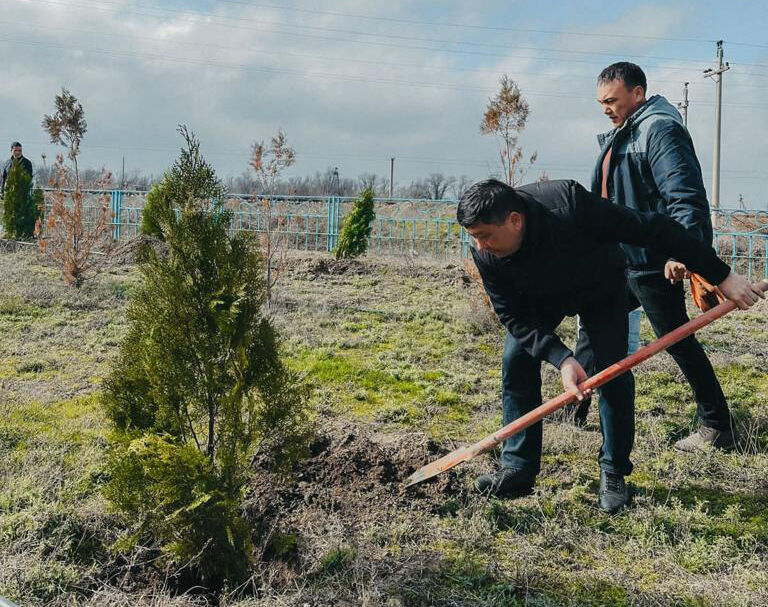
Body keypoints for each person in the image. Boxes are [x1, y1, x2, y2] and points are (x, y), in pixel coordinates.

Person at [458, 178, 762, 512]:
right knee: (517, 358)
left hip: (599, 289)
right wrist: (563, 359)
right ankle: (518, 467)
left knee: (612, 370)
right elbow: (513, 317)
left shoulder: (569, 204)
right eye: (475, 237)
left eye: (486, 235)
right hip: (539, 299)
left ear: (515, 220)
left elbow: (654, 229)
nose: (481, 246)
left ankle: (613, 472)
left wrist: (722, 276)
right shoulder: (485, 254)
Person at [572, 62, 736, 452]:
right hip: (620, 256)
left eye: (612, 100)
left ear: (638, 93)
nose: (606, 109)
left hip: (652, 260)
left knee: (675, 338)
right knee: (593, 328)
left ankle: (717, 426)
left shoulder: (659, 130)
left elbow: (685, 196)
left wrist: (684, 251)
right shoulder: (624, 133)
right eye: (601, 103)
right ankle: (571, 411)